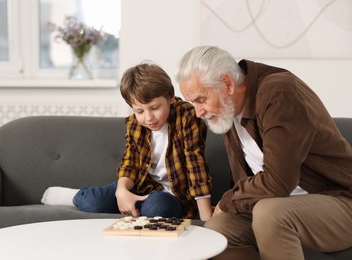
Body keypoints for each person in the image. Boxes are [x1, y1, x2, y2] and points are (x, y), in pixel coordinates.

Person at [175, 46, 352, 259]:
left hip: (340, 201)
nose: (197, 112)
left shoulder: (279, 93)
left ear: (228, 84)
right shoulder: (227, 111)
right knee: (218, 229)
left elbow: (278, 182)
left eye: (201, 100)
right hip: (279, 205)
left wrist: (228, 200)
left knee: (270, 213)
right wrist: (230, 206)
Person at [41, 62, 213, 221]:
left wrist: (206, 220)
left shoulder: (188, 117)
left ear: (171, 98)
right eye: (139, 110)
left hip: (174, 197)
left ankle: (136, 208)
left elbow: (195, 165)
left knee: (158, 207)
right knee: (96, 201)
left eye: (155, 108)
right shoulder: (134, 124)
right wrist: (122, 191)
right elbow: (129, 164)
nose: (148, 117)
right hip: (142, 186)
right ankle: (78, 196)